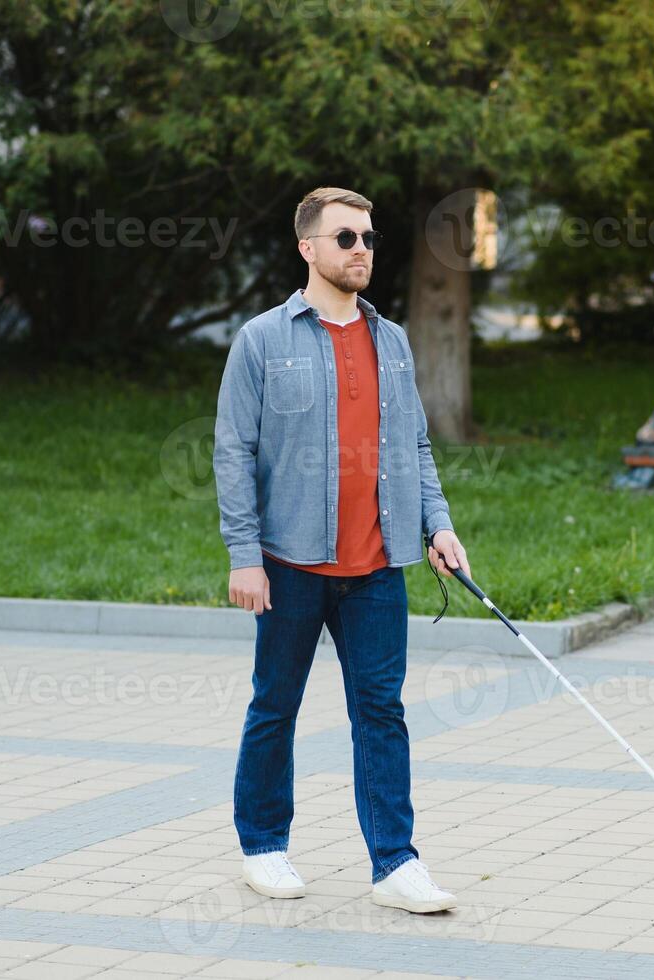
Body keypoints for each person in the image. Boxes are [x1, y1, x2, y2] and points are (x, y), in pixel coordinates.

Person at [213, 186, 471, 914]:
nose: (362, 250)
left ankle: (395, 864)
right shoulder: (262, 340)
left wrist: (437, 524)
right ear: (308, 249)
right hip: (290, 564)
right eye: (346, 239)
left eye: (368, 238)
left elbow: (414, 443)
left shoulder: (390, 339)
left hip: (378, 569)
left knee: (381, 714)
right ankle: (262, 847)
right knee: (276, 707)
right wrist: (244, 555)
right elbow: (234, 452)